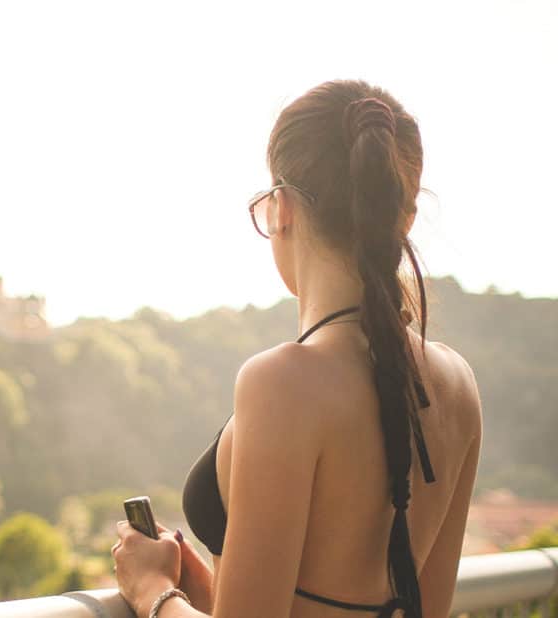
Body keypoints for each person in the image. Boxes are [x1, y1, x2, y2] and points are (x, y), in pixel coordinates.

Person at [111, 79, 483, 618]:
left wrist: (151, 589)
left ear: (280, 207)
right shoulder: (458, 384)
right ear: (406, 216)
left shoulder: (282, 382)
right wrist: (214, 588)